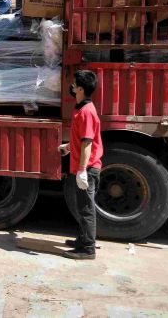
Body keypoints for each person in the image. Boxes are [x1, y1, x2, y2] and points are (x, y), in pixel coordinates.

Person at [58, 70, 103, 260]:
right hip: (84, 166)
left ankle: (88, 248)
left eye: (74, 84)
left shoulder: (86, 112)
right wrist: (69, 147)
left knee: (86, 209)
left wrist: (82, 170)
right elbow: (81, 138)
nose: (72, 86)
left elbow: (87, 143)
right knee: (83, 207)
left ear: (81, 89)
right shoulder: (81, 108)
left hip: (88, 168)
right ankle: (83, 239)